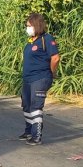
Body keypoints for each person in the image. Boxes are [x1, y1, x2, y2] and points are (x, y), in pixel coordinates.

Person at [19, 13, 60, 145]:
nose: (27, 29)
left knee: (36, 106)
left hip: (40, 78)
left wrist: (52, 72)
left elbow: (55, 58)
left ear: (37, 25)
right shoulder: (32, 41)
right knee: (26, 105)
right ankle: (29, 131)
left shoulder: (47, 39)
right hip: (28, 79)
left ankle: (36, 136)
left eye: (29, 26)